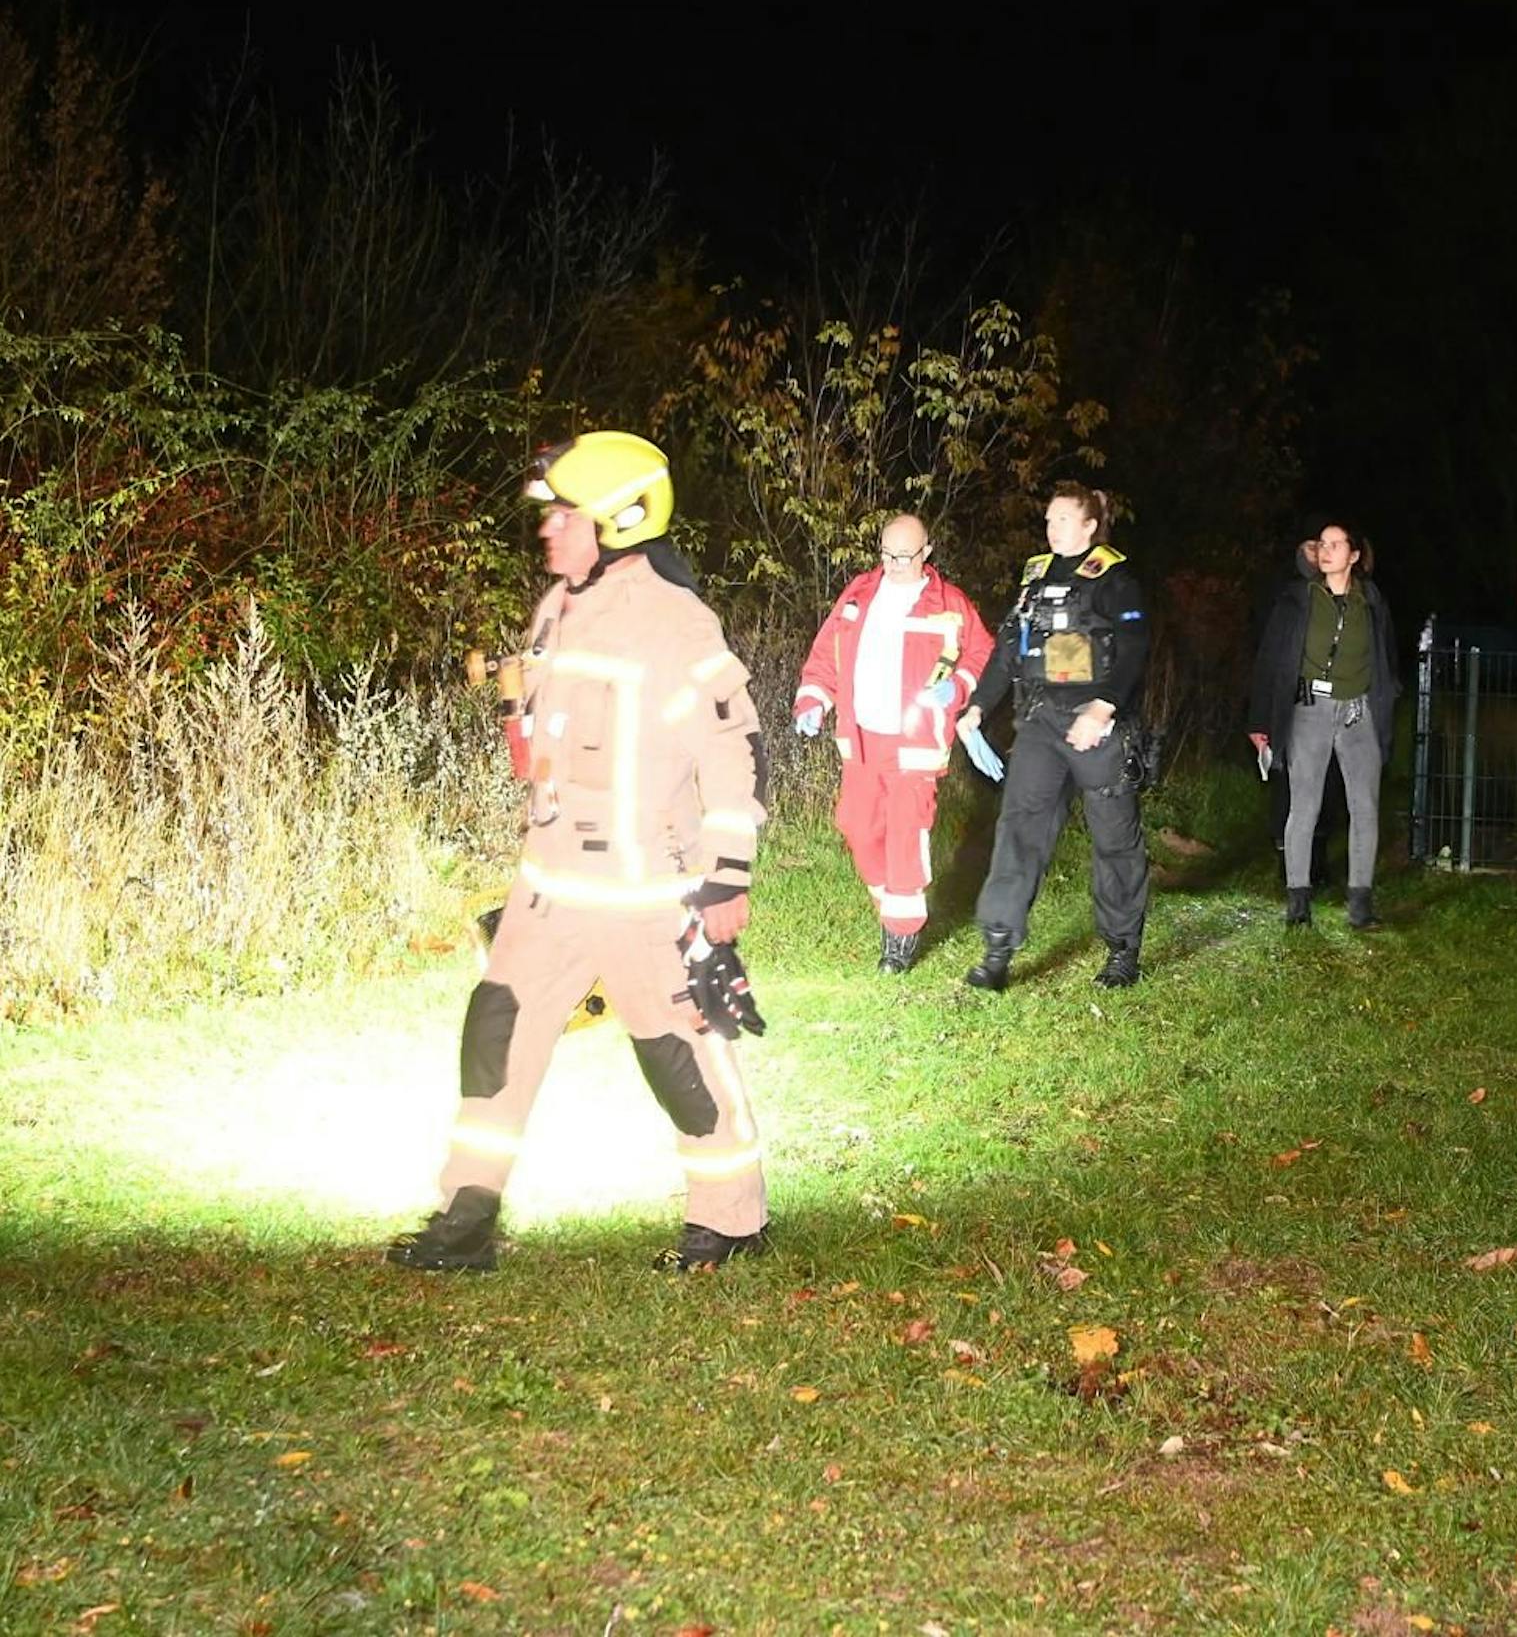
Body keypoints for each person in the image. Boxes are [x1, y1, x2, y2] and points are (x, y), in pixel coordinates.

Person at [388, 432, 771, 1274]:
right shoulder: (557, 605)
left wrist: (726, 877)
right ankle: (466, 1216)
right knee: (495, 1037)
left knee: (679, 1057)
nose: (548, 530)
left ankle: (730, 1218)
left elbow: (734, 752)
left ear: (621, 523)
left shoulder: (676, 620)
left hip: (646, 892)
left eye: (566, 516)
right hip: (549, 887)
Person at [957, 483, 1151, 990]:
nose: (1052, 527)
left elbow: (1133, 648)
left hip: (1097, 726)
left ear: (1090, 525)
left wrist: (1103, 707)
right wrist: (977, 706)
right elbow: (1006, 651)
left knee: (1114, 840)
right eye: (1048, 519)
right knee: (1019, 829)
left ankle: (1122, 950)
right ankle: (997, 949)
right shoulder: (1034, 577)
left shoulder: (1115, 578)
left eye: (1063, 519)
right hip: (1041, 722)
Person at [793, 514, 995, 973]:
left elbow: (983, 652)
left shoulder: (950, 602)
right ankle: (895, 907)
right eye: (887, 554)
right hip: (862, 739)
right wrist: (813, 699)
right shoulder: (860, 592)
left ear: (926, 552)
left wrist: (959, 687)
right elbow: (827, 653)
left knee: (906, 836)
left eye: (905, 556)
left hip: (915, 744)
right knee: (857, 826)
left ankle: (900, 940)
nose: (895, 564)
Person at [1247, 520, 1399, 929]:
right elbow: (1270, 658)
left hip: (1358, 713)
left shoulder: (1371, 601)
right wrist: (1260, 719)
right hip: (1308, 710)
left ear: (1353, 555)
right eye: (1321, 544)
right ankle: (1298, 904)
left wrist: (1384, 705)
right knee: (1304, 804)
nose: (1325, 551)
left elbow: (1385, 660)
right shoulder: (1297, 599)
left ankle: (1361, 903)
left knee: (1364, 807)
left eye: (1335, 545)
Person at [1249, 523, 1347, 889]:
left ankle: (1318, 863)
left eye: (1323, 546)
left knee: (1327, 786)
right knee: (1288, 789)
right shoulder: (1286, 600)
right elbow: (1268, 660)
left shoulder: (1350, 599)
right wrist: (1259, 720)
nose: (1317, 554)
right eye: (1310, 547)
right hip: (1289, 713)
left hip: (1334, 711)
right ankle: (1288, 866)